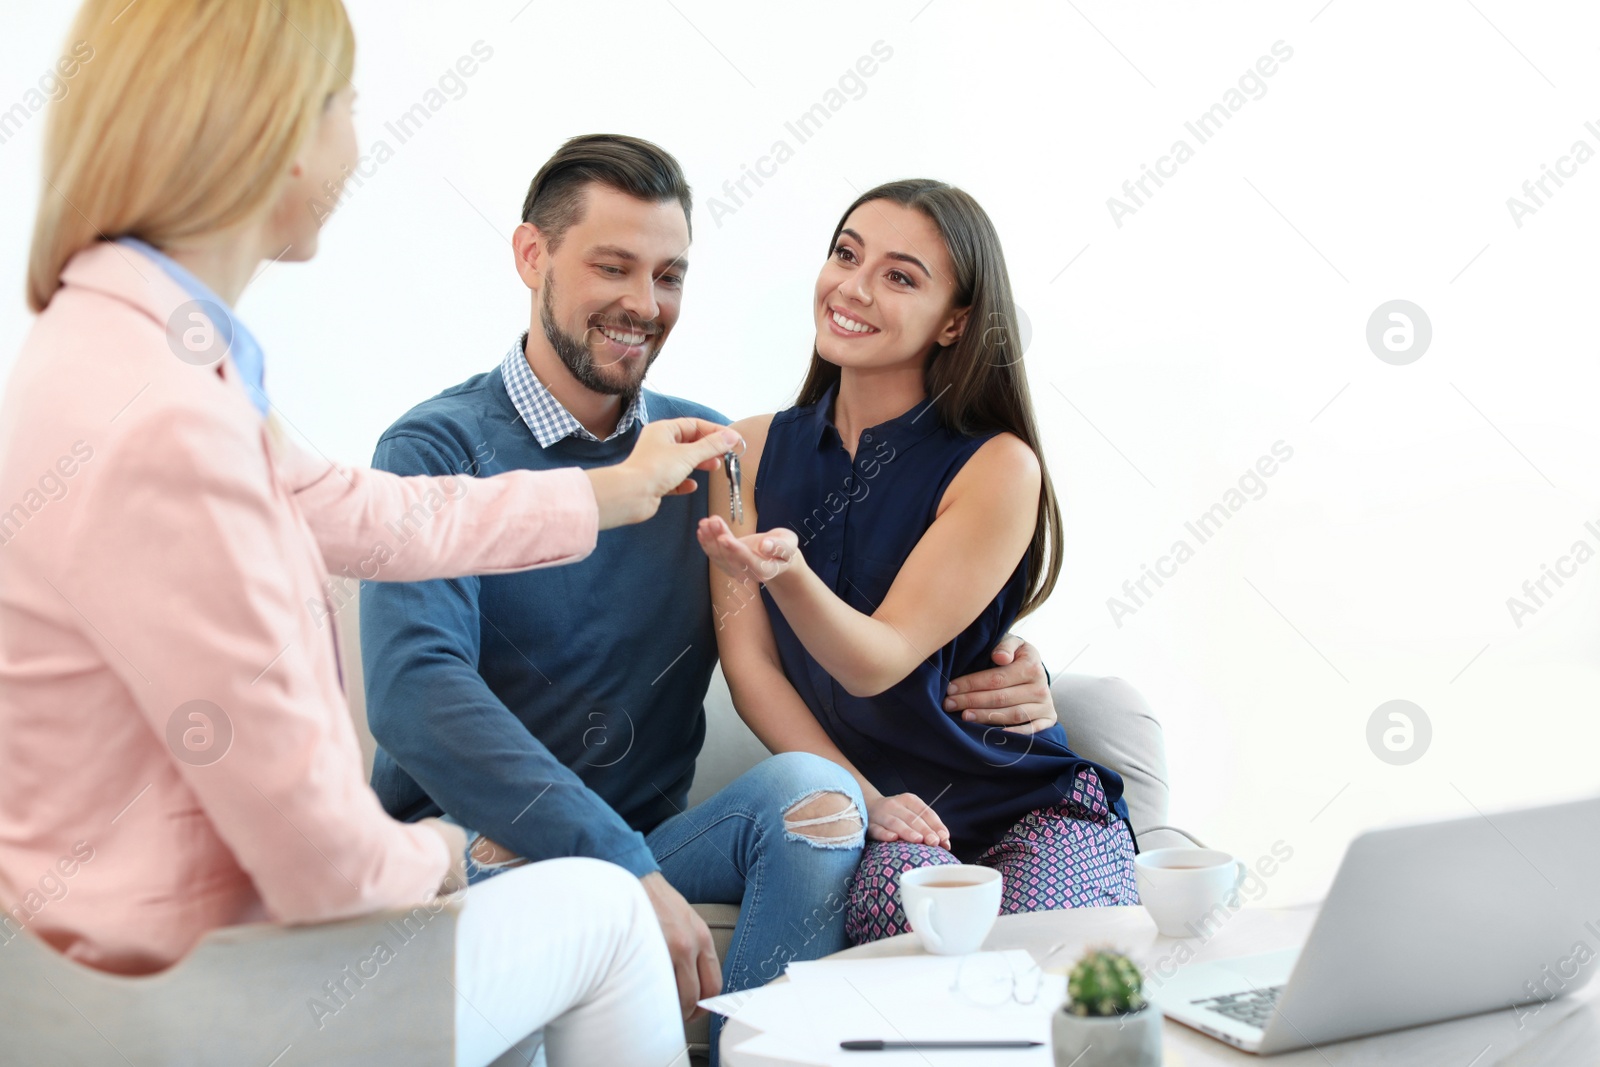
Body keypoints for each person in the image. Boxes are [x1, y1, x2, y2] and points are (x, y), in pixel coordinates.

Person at [0, 3, 733, 1064]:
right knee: (603, 910)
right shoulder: (165, 418)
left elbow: (368, 511)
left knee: (556, 928)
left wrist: (615, 490)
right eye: (344, 104)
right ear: (269, 129)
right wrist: (446, 849)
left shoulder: (134, 346)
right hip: (193, 995)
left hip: (146, 958)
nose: (354, 141)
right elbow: (322, 859)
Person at [359, 135, 1062, 1060]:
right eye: (612, 266)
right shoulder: (435, 451)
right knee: (553, 925)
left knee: (813, 797)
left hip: (655, 839)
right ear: (532, 255)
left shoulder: (709, 456)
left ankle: (765, 1054)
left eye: (668, 275)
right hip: (474, 846)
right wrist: (614, 862)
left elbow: (832, 626)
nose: (643, 306)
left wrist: (1010, 660)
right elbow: (415, 693)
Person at [699, 179, 1141, 945]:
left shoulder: (998, 467)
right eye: (846, 254)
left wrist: (789, 574)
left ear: (954, 323)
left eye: (900, 276)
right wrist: (870, 801)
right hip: (900, 820)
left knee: (1028, 962)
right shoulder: (745, 452)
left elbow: (882, 660)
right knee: (893, 946)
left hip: (1025, 804)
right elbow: (752, 672)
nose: (853, 287)